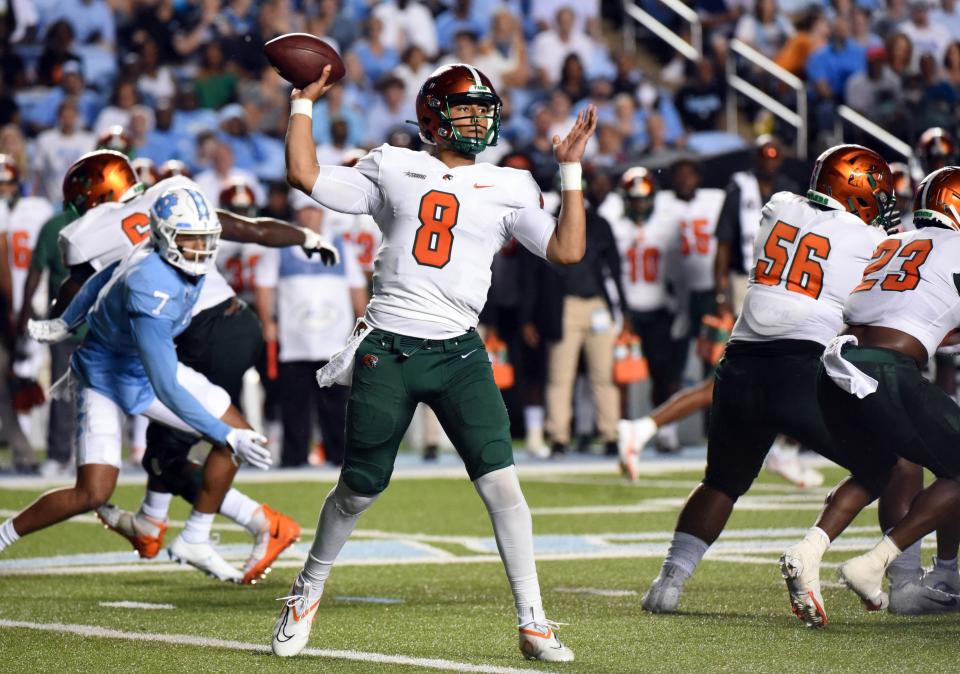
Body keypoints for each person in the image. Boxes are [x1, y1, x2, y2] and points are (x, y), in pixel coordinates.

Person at [272, 62, 597, 662]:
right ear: (432, 118)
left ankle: (533, 620)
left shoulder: (513, 183)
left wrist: (571, 169)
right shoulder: (391, 164)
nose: (478, 117)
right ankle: (307, 587)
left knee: (503, 485)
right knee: (358, 489)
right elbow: (303, 173)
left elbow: (568, 250)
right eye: (465, 107)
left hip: (460, 352)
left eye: (483, 108)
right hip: (389, 347)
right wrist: (301, 104)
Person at [641, 144, 905, 616]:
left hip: (739, 364)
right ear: (858, 190)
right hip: (799, 370)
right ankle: (810, 553)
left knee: (720, 483)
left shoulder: (779, 206)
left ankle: (668, 583)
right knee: (884, 462)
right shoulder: (868, 241)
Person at [53, 150, 338, 584]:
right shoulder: (169, 198)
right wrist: (304, 236)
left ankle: (254, 525)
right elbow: (250, 229)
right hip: (235, 325)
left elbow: (69, 304)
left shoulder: (88, 234)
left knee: (175, 451)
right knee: (165, 447)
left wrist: (64, 301)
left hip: (204, 333)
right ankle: (155, 525)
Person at [0, 186, 273, 584]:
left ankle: (195, 537)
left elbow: (103, 278)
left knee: (243, 434)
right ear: (165, 236)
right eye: (190, 238)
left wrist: (67, 321)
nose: (200, 247)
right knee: (92, 493)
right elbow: (165, 385)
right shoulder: (152, 284)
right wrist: (224, 435)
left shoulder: (149, 250)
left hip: (141, 369)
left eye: (205, 238)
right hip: (107, 379)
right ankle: (3, 535)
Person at [779, 166, 960, 625]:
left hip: (836, 365)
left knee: (879, 468)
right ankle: (877, 563)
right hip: (886, 371)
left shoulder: (893, 241)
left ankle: (808, 550)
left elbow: (912, 312)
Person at [610, 167, 683, 478]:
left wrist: (677, 306)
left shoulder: (667, 226)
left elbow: (679, 272)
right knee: (621, 375)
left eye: (644, 200)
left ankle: (664, 431)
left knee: (662, 371)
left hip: (658, 307)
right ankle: (621, 429)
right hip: (627, 310)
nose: (640, 205)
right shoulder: (615, 226)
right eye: (634, 200)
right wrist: (617, 311)